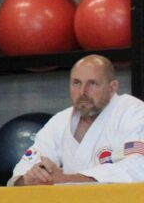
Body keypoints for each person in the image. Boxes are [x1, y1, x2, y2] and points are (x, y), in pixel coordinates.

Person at [10, 55, 144, 186]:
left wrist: (65, 179)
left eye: (92, 84)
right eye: (77, 83)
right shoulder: (60, 121)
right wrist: (31, 179)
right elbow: (22, 172)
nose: (82, 92)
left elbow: (137, 167)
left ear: (112, 87)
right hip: (71, 201)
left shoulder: (133, 112)